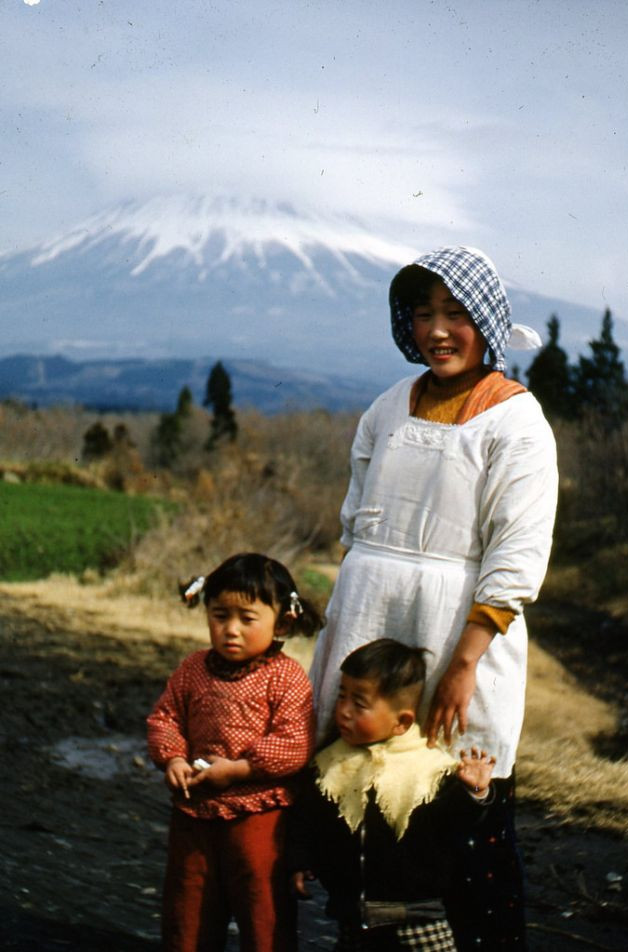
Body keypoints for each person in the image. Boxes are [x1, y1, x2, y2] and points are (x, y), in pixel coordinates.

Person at [309, 246, 558, 948]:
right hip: (369, 609)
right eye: (424, 313)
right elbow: (357, 520)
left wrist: (465, 660)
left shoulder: (515, 421)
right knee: (356, 783)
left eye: (456, 314)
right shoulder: (391, 405)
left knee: (459, 797)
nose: (438, 330)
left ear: (487, 320)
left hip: (457, 625)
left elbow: (516, 551)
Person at [147, 552, 322, 952]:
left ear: (282, 622)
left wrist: (241, 769)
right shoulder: (192, 670)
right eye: (220, 615)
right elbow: (165, 718)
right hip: (194, 814)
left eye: (247, 619)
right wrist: (172, 757)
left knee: (263, 911)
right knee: (187, 910)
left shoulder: (286, 677)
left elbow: (295, 743)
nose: (231, 630)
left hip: (259, 819)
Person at [289, 639, 496, 951]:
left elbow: (455, 826)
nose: (343, 711)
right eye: (342, 696)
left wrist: (475, 792)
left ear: (402, 722)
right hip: (354, 918)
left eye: (359, 704)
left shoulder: (430, 769)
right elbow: (307, 821)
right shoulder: (329, 764)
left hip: (419, 921)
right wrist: (299, 860)